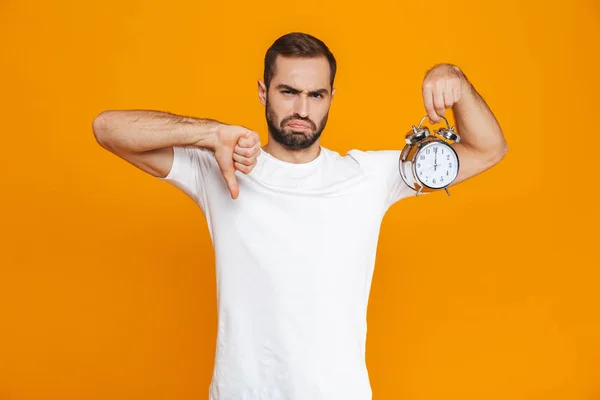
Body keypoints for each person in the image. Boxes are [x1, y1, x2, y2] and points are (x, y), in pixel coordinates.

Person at [92, 32, 508, 400]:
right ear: (263, 91)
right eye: (288, 91)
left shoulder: (369, 176)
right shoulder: (220, 167)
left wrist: (455, 79)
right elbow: (108, 129)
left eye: (316, 95)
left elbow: (488, 149)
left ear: (331, 97)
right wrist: (210, 133)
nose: (301, 109)